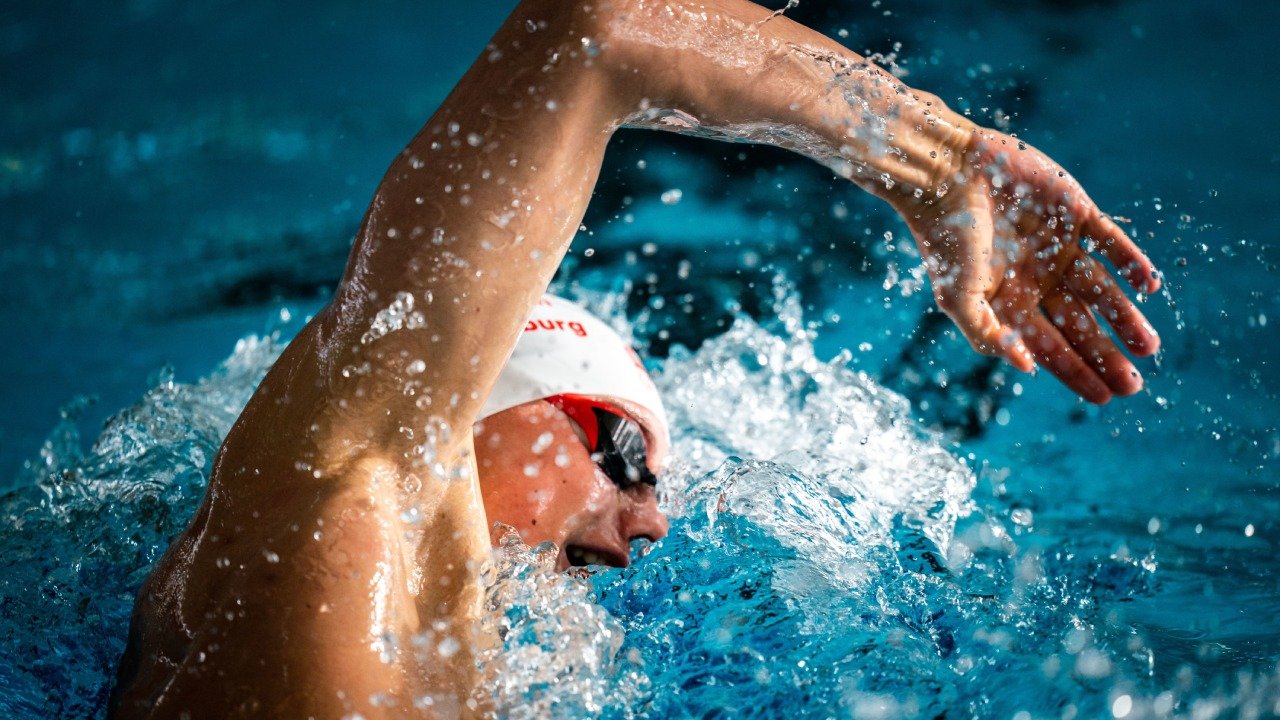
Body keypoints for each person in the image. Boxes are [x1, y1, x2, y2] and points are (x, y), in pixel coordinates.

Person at [109, 0, 1161, 716]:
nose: (652, 521)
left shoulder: (468, 671)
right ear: (483, 397)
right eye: (619, 451)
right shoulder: (340, 511)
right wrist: (939, 160)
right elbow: (594, 31)